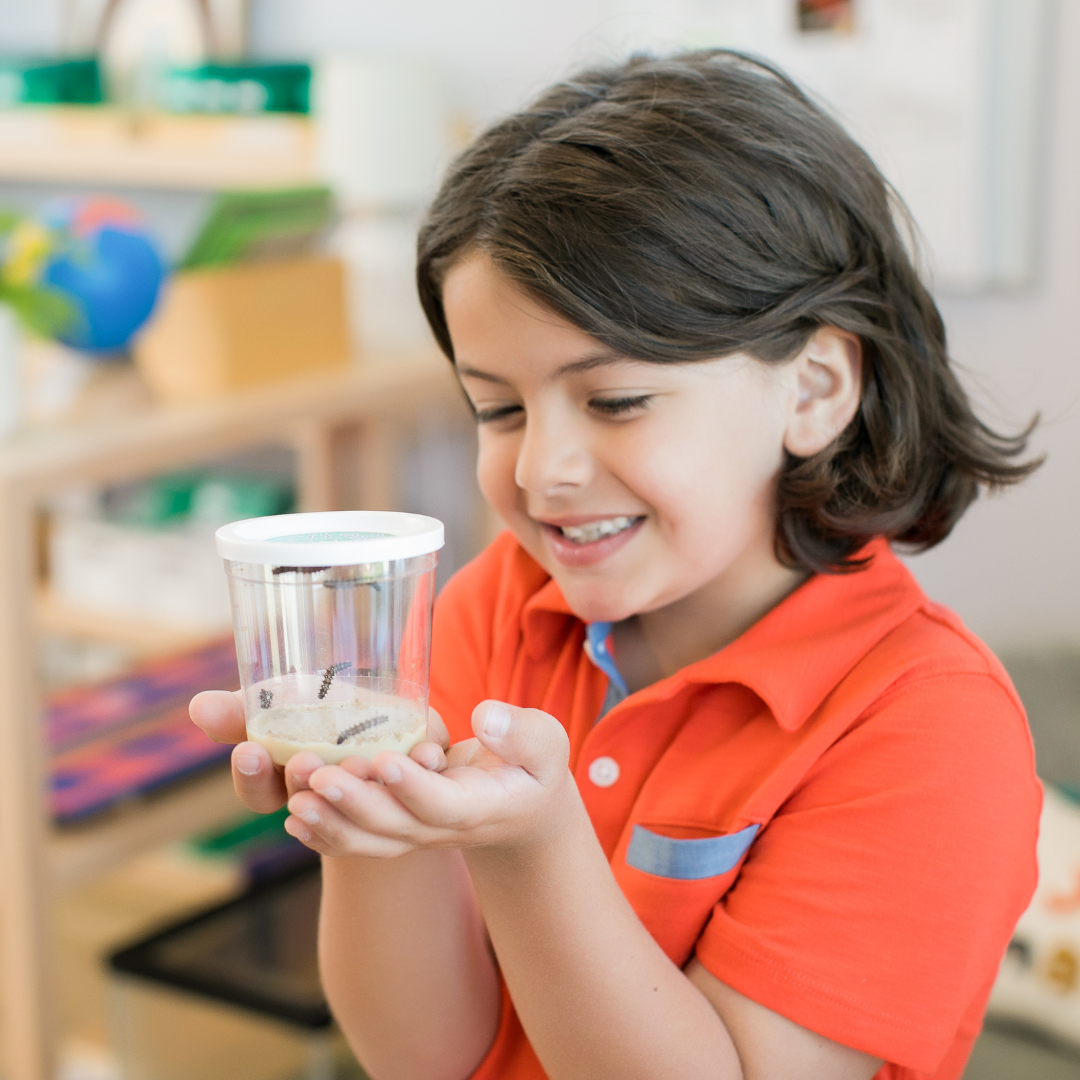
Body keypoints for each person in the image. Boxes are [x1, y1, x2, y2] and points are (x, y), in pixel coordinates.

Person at [191, 50, 1042, 1080]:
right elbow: (421, 1057)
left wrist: (533, 844)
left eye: (616, 401)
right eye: (497, 408)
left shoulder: (925, 727)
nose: (544, 472)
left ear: (814, 388)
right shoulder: (497, 610)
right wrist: (364, 812)